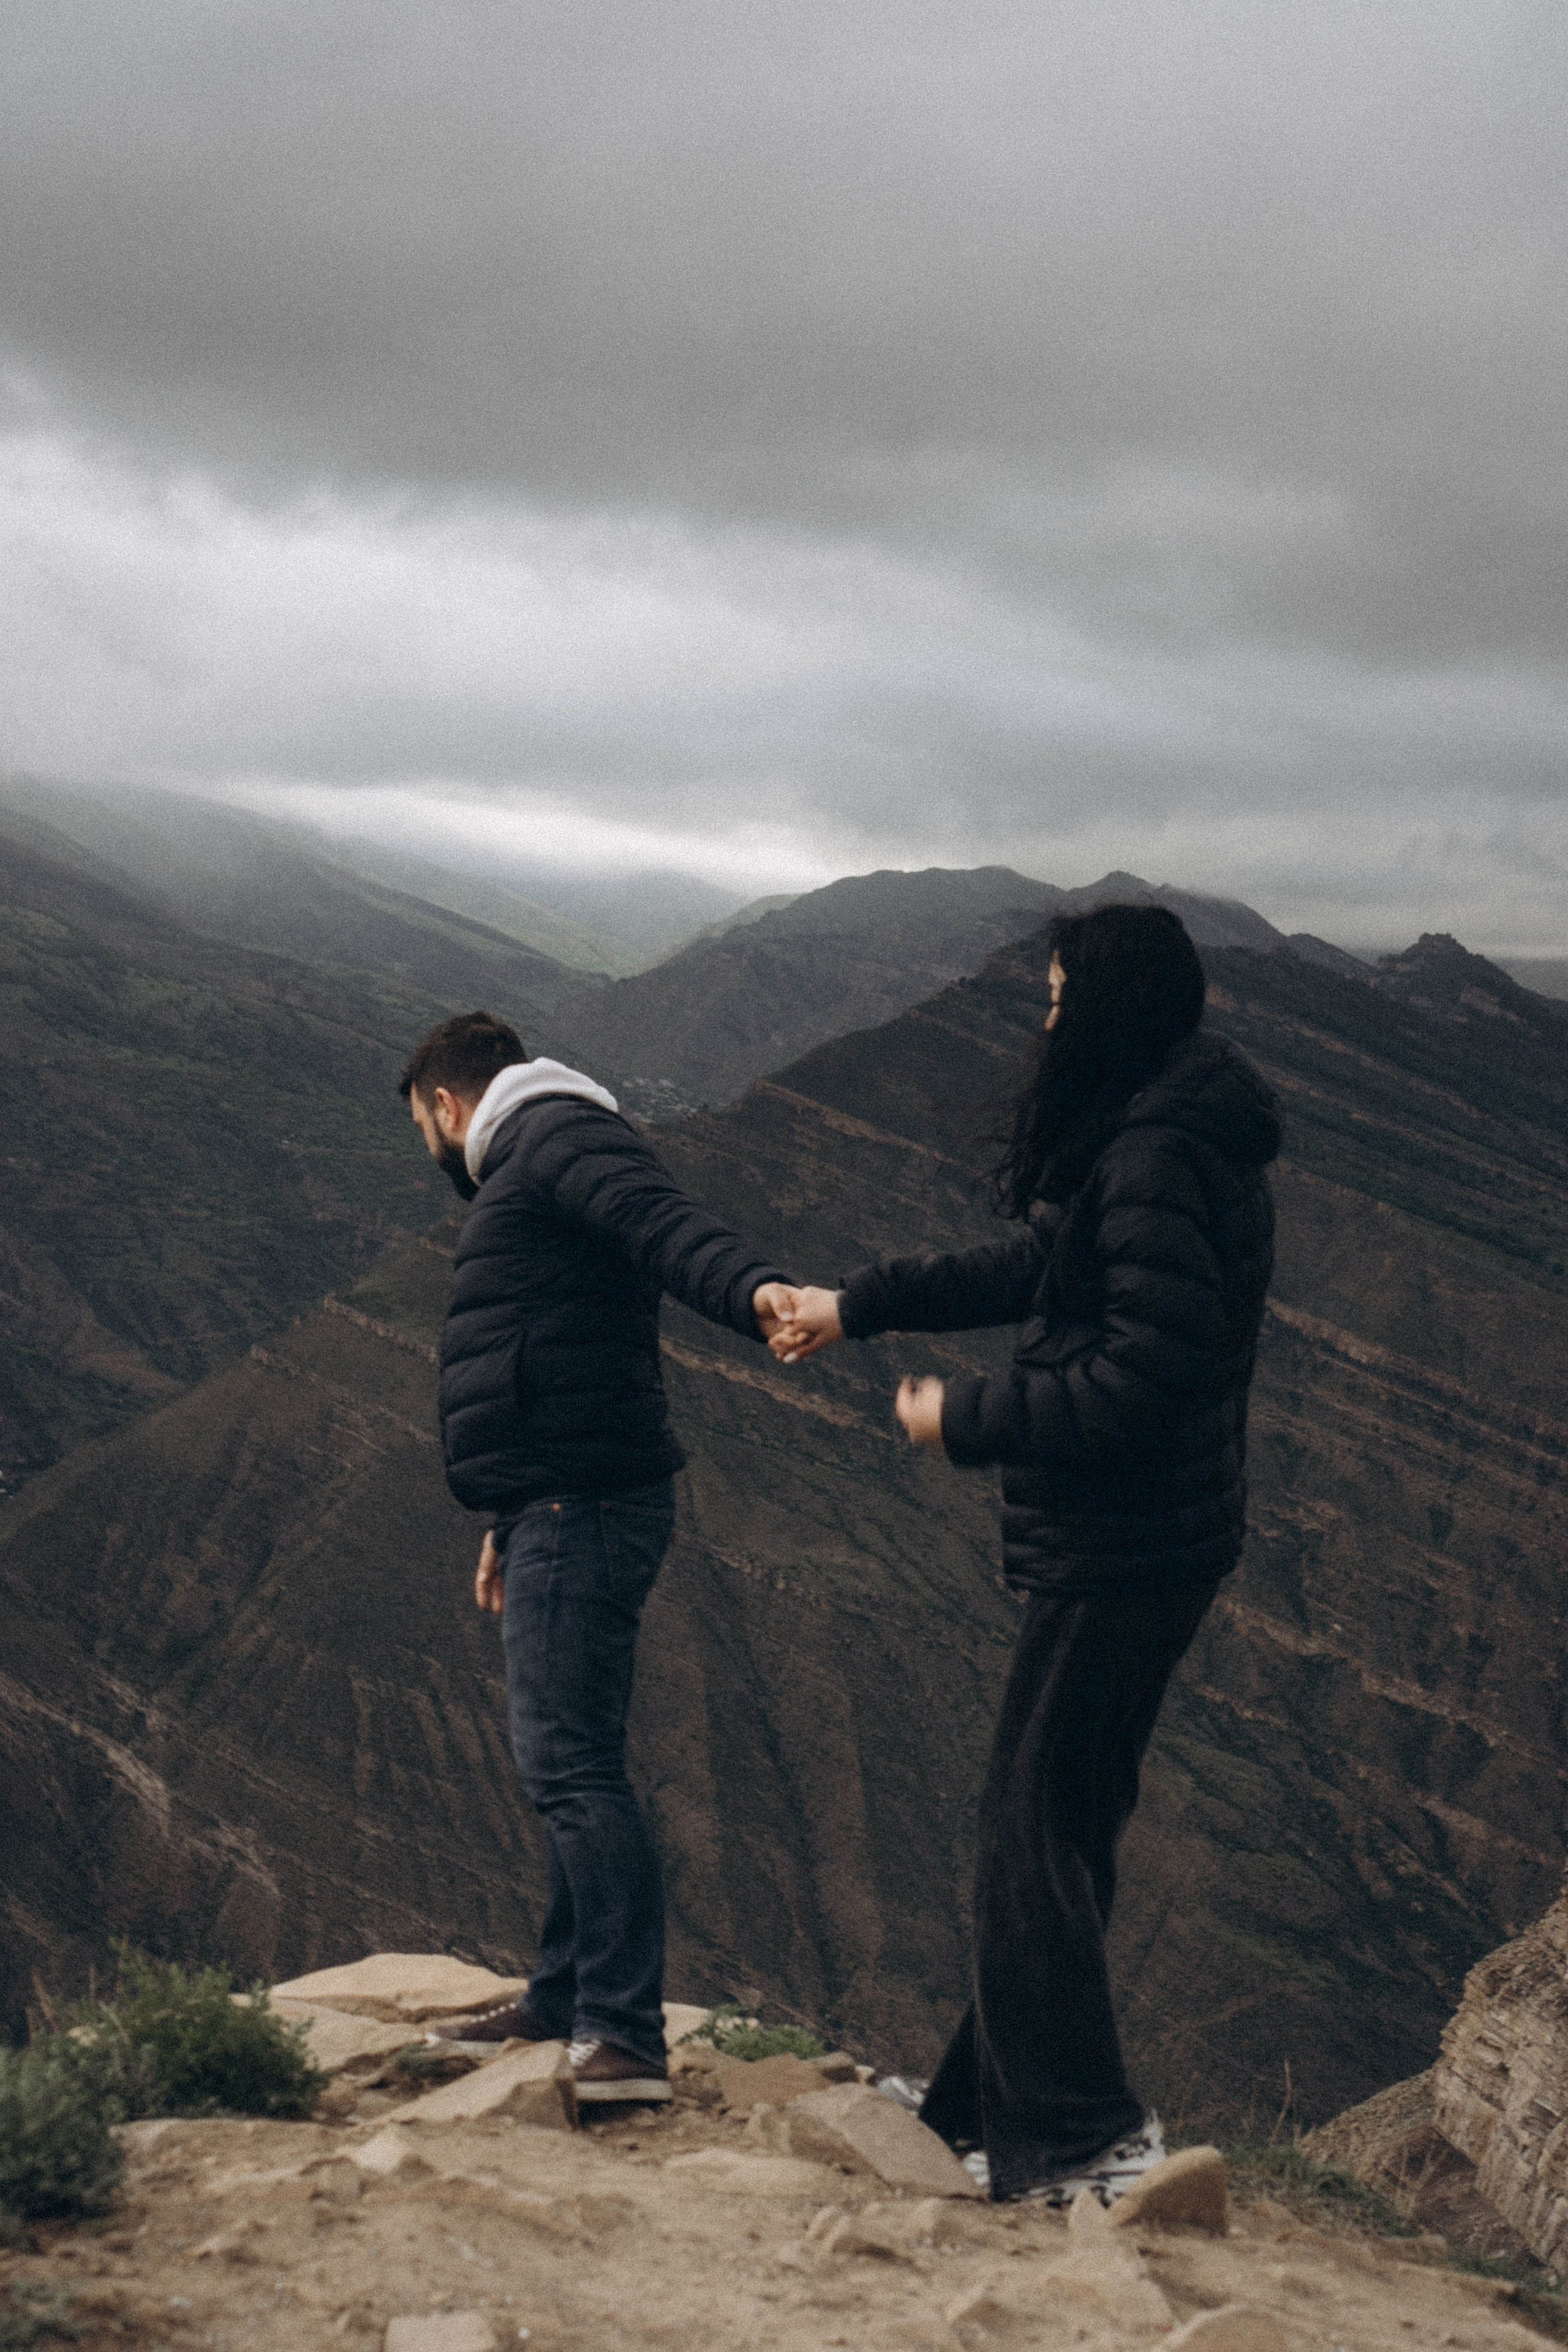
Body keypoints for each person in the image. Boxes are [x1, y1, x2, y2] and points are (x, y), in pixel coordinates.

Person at [771, 904, 1281, 2203]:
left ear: (1102, 1009)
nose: (1044, 1023)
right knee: (1051, 1826)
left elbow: (1141, 1381)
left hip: (1127, 1544)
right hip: (1148, 1538)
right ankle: (985, 2110)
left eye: (1056, 999)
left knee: (1027, 1833)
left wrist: (965, 1421)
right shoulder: (1154, 1134)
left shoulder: (1159, 1151)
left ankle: (1083, 2142)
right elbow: (1041, 1268)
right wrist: (861, 1307)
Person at [401, 1011, 796, 2105]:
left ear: (445, 1107)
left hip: (588, 1507)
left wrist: (756, 1293)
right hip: (559, 1501)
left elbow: (669, 1229)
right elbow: (554, 1343)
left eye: (424, 1132)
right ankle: (565, 1995)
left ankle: (621, 2037)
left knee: (569, 1766)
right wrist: (510, 1513)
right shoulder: (538, 1156)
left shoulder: (558, 1139)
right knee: (574, 1760)